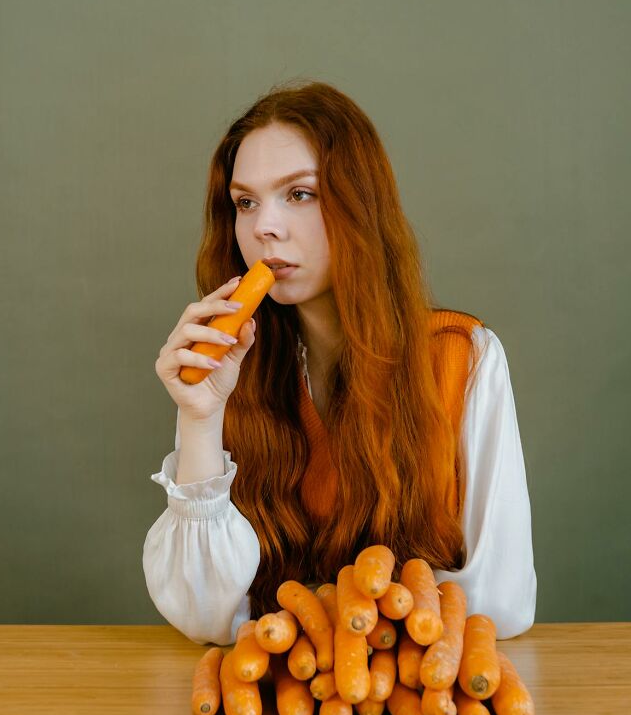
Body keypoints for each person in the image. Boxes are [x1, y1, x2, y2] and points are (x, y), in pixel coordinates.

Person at [143, 81, 536, 645]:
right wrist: (200, 417)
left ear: (359, 203)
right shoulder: (234, 371)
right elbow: (204, 617)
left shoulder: (461, 357)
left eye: (298, 194)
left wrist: (331, 637)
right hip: (282, 710)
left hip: (421, 710)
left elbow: (500, 603)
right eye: (245, 202)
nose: (263, 228)